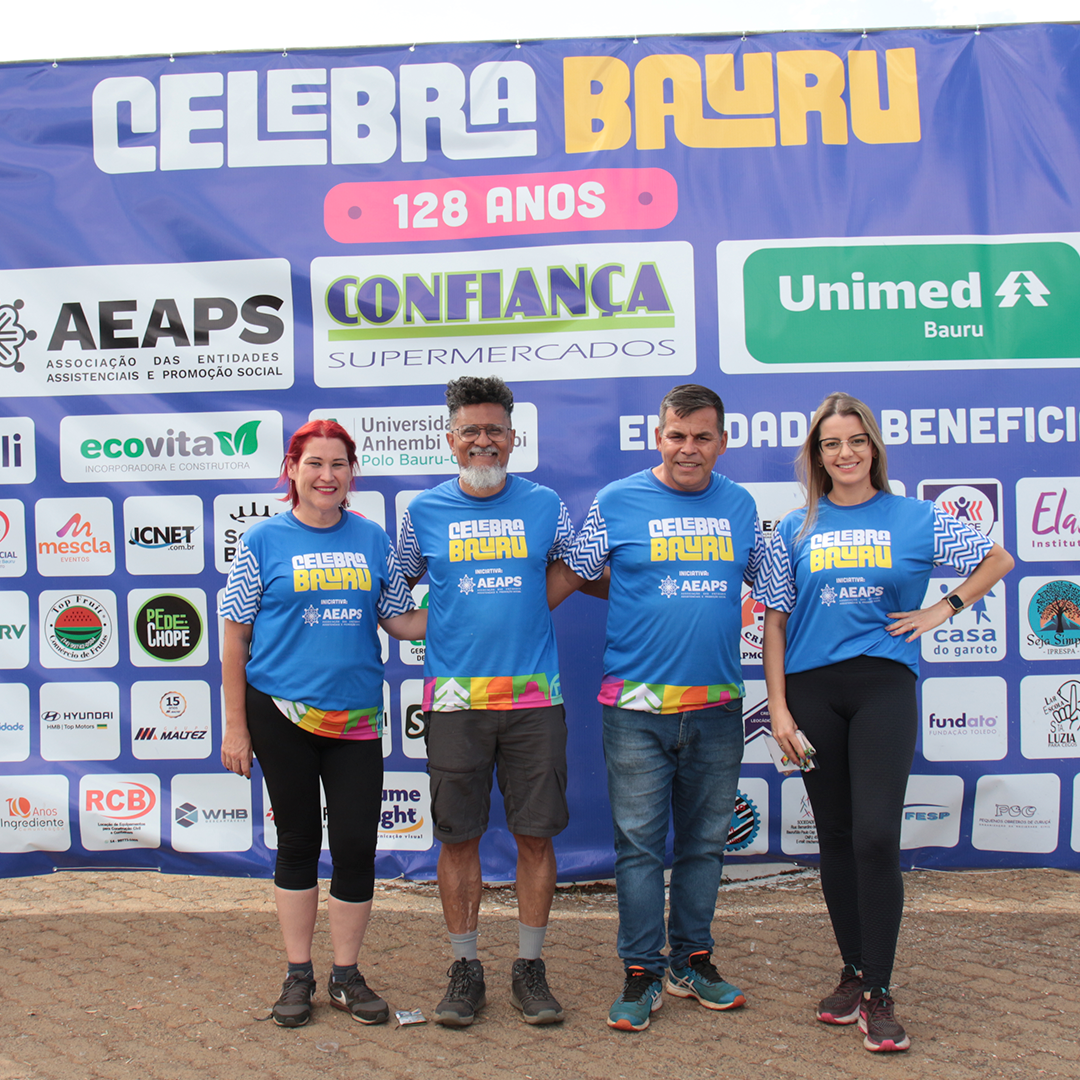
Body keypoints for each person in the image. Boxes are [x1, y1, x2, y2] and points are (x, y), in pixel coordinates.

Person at [753, 392, 1013, 1053]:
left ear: (873, 447)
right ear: (817, 456)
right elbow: (775, 621)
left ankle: (880, 992)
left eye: (856, 441)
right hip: (811, 693)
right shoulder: (793, 529)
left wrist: (942, 609)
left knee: (874, 835)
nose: (845, 453)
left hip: (883, 687)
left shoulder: (917, 517)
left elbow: (998, 560)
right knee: (836, 836)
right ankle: (854, 972)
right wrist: (778, 708)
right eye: (831, 444)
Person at [549, 384, 764, 1032]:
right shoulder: (616, 501)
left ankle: (691, 961)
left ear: (722, 442)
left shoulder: (741, 504)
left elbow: (772, 584)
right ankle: (641, 971)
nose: (688, 448)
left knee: (704, 845)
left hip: (717, 707)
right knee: (639, 849)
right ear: (658, 437)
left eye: (702, 437)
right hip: (635, 709)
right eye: (677, 435)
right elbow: (575, 570)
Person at [220, 420, 426, 1028]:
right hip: (279, 712)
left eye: (338, 464)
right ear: (292, 470)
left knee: (357, 844)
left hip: (356, 716)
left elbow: (399, 621)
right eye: (314, 463)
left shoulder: (371, 538)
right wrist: (235, 726)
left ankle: (346, 975)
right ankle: (297, 974)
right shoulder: (262, 540)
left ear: (351, 473)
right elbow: (234, 637)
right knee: (298, 842)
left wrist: (469, 603)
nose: (327, 475)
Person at [397, 376, 575, 1027]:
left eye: (493, 430)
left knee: (535, 837)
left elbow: (575, 568)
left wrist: (530, 604)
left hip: (534, 702)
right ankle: (465, 968)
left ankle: (529, 967)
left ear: (512, 437)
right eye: (470, 430)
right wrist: (436, 623)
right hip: (454, 704)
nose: (483, 440)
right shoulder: (423, 513)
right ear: (451, 439)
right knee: (458, 840)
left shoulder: (546, 504)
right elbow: (393, 592)